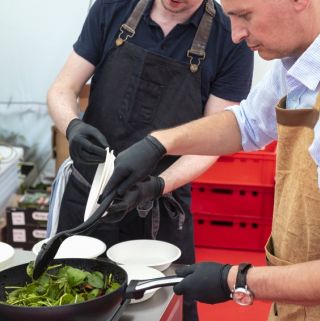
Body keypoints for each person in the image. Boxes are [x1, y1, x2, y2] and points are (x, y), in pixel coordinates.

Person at [101, 0, 320, 320]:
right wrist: (160, 143)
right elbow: (246, 122)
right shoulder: (294, 64)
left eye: (245, 16)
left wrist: (236, 280)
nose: (235, 35)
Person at [47, 0, 253, 320]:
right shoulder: (113, 8)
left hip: (160, 208)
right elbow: (62, 88)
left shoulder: (230, 36)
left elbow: (214, 140)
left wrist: (156, 186)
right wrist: (72, 126)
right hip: (86, 200)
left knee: (160, 308)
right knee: (67, 300)